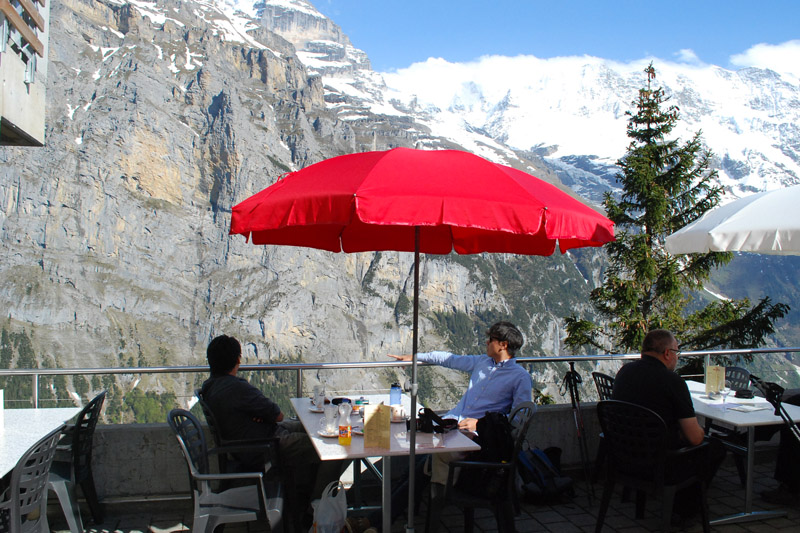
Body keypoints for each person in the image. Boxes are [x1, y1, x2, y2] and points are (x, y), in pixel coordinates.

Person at [385, 321, 533, 531]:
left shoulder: (520, 377)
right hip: (453, 429)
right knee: (417, 460)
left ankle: (382, 519)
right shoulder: (482, 362)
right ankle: (384, 518)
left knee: (419, 461)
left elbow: (517, 418)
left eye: (490, 339)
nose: (486, 342)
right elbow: (449, 359)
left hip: (475, 441)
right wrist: (415, 358)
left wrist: (479, 424)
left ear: (503, 344)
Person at [198, 334, 344, 522]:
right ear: (237, 360)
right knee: (334, 447)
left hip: (259, 436)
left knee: (310, 425)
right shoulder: (237, 387)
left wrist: (256, 416)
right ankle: (315, 510)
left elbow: (268, 416)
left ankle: (306, 497)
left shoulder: (210, 386)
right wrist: (260, 416)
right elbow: (277, 414)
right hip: (267, 445)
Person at [612, 329, 726, 521]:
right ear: (667, 353)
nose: (677, 358)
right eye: (677, 353)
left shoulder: (625, 371)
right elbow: (695, 438)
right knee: (714, 448)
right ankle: (685, 510)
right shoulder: (672, 381)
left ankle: (680, 504)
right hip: (660, 463)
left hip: (623, 457)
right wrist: (699, 430)